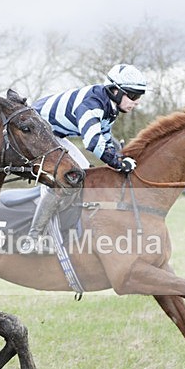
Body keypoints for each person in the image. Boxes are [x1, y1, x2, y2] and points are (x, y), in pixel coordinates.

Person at [20, 63, 147, 253]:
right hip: (35, 133)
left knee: (84, 171)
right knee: (71, 174)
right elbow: (94, 142)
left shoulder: (109, 106)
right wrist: (119, 162)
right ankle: (33, 237)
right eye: (133, 95)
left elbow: (105, 137)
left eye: (139, 96)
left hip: (52, 133)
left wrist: (118, 154)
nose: (136, 102)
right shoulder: (93, 104)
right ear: (115, 90)